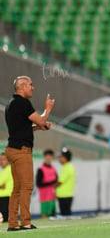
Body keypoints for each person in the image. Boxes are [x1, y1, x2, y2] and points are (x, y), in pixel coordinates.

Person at [4, 76, 54, 231]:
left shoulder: (11, 104)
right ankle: (25, 222)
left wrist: (40, 127)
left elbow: (24, 127)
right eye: (31, 85)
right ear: (23, 87)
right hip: (21, 150)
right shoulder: (23, 103)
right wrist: (47, 109)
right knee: (26, 186)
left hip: (11, 149)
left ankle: (13, 224)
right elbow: (40, 119)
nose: (33, 87)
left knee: (17, 188)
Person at [36, 149, 58, 218]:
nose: (48, 158)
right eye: (47, 156)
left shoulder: (53, 168)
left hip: (52, 197)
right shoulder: (41, 169)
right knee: (44, 215)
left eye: (50, 156)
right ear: (44, 157)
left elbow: (56, 181)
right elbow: (38, 184)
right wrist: (50, 183)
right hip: (44, 197)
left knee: (53, 215)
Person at [56, 148, 76, 216]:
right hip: (66, 195)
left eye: (61, 157)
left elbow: (60, 182)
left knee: (66, 215)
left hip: (64, 196)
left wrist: (52, 187)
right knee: (66, 214)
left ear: (66, 158)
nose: (59, 159)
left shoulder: (67, 168)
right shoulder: (68, 167)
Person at [0, 153, 13, 222]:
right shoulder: (5, 170)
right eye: (0, 159)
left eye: (3, 159)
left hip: (5, 198)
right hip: (5, 198)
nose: (1, 161)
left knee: (4, 220)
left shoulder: (9, 169)